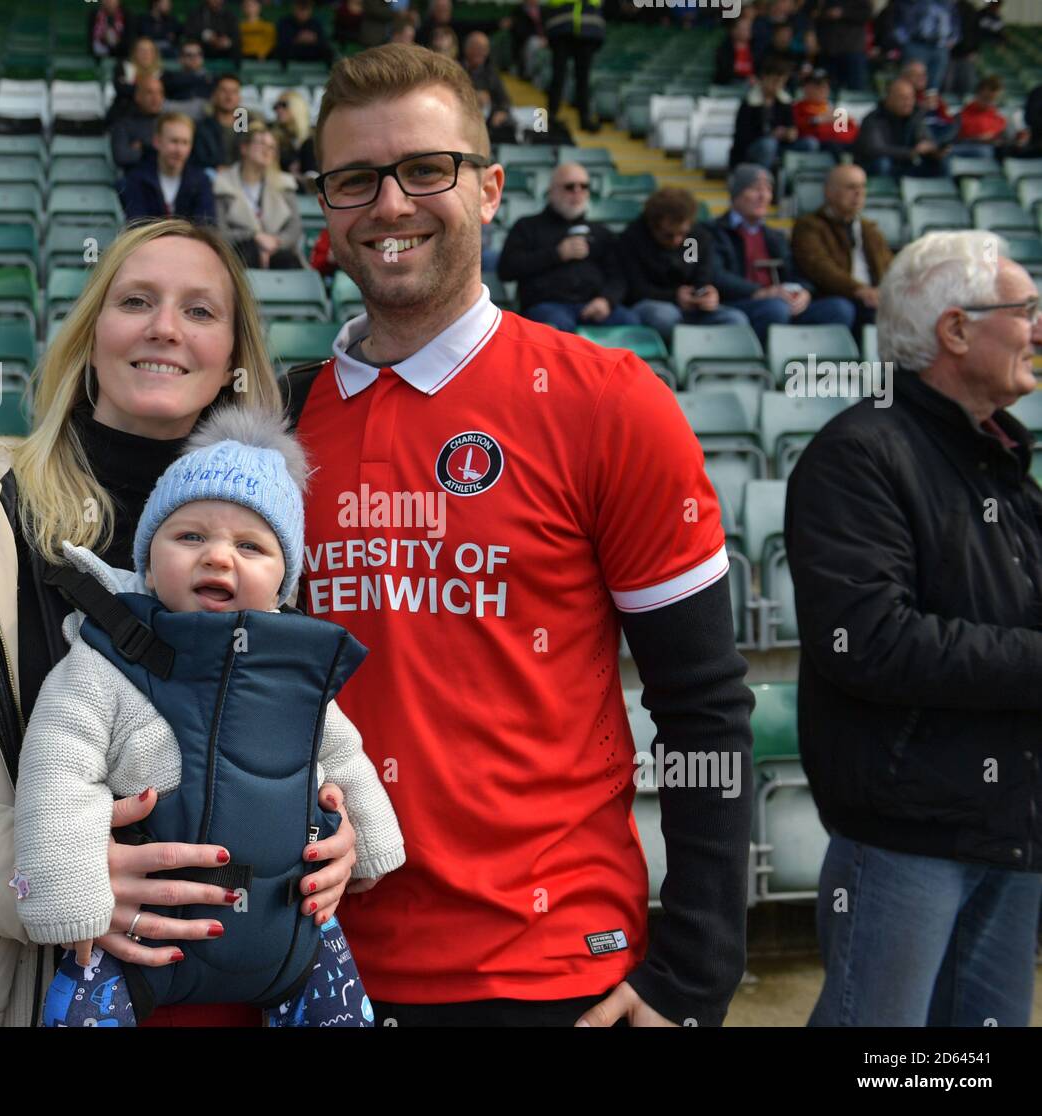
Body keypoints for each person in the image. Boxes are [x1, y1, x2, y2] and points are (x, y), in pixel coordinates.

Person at [291, 43, 754, 1028]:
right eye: (355, 179)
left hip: (552, 973)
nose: (390, 203)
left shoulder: (610, 404)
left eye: (426, 169)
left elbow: (703, 705)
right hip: (318, 966)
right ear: (325, 206)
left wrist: (693, 971)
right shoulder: (279, 427)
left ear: (491, 187)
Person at [0, 217, 362, 1027]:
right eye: (136, 300)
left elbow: (306, 736)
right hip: (16, 993)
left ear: (237, 359)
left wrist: (330, 834)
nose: (165, 327)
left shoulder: (275, 531)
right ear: (90, 333)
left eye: (201, 311)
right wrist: (48, 877)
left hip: (246, 995)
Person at [14, 409, 406, 1028]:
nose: (218, 558)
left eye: (249, 546)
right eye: (190, 537)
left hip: (291, 932)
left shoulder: (294, 668)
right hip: (136, 940)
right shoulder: (105, 662)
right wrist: (67, 898)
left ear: (284, 584)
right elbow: (57, 772)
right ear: (148, 562)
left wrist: (373, 847)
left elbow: (341, 753)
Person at [785, 230, 1042, 1027]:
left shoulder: (998, 459)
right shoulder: (859, 455)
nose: (1038, 328)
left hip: (1010, 825)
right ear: (955, 330)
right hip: (908, 834)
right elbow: (873, 643)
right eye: (1026, 310)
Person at [707, 164, 855, 341]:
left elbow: (797, 273)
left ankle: (818, 365)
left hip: (780, 304)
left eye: (768, 190)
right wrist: (761, 292)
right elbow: (716, 275)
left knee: (839, 308)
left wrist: (803, 292)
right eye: (755, 189)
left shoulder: (775, 236)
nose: (763, 197)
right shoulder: (713, 231)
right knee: (775, 308)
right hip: (740, 302)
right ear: (736, 194)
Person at [497, 162, 641, 331]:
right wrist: (557, 254)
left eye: (584, 186)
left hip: (593, 305)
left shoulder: (601, 232)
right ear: (552, 191)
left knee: (631, 321)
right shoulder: (527, 226)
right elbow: (507, 269)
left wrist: (606, 300)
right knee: (560, 328)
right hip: (547, 306)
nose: (577, 192)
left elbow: (618, 277)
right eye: (569, 187)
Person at [619, 187, 750, 341]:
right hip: (653, 305)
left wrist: (705, 294)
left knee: (736, 319)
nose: (677, 240)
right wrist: (674, 296)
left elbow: (701, 275)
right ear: (652, 226)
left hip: (691, 308)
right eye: (668, 235)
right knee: (665, 316)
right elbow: (635, 289)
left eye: (682, 234)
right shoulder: (632, 239)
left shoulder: (694, 238)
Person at [791, 163, 894, 328]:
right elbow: (819, 267)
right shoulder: (809, 226)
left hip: (872, 298)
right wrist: (859, 290)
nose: (859, 193)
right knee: (844, 309)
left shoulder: (870, 229)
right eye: (851, 187)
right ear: (829, 192)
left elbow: (889, 266)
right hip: (835, 297)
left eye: (862, 187)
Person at [215, 125, 305, 270]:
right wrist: (254, 236)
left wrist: (275, 243)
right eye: (262, 143)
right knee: (247, 254)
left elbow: (295, 229)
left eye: (272, 147)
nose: (267, 150)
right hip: (238, 256)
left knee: (286, 260)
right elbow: (218, 232)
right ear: (244, 148)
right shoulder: (223, 184)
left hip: (279, 253)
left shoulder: (284, 184)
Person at [120, 112, 216, 223]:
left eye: (185, 143)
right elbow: (136, 225)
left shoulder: (201, 181)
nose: (179, 150)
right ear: (157, 142)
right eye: (174, 141)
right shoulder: (137, 180)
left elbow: (205, 226)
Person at [732, 57, 816, 169]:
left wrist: (790, 134)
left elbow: (791, 126)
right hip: (753, 149)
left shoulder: (785, 101)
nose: (778, 85)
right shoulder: (749, 103)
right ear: (763, 78)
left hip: (780, 146)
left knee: (810, 143)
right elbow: (741, 138)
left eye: (782, 82)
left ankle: (796, 180)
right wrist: (771, 135)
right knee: (768, 144)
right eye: (775, 81)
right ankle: (764, 179)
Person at [855, 76, 946, 177]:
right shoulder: (873, 119)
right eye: (903, 98)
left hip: (906, 165)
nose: (909, 102)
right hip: (879, 168)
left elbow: (925, 138)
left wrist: (934, 150)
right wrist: (911, 152)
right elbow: (875, 149)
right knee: (882, 163)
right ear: (889, 98)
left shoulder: (915, 115)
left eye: (911, 97)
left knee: (940, 161)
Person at [545, 0, 607, 132]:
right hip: (561, 28)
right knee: (558, 76)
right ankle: (550, 117)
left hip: (587, 29)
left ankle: (585, 119)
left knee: (583, 79)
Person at [890, 0, 960, 93]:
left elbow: (955, 21)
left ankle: (930, 105)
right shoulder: (908, 2)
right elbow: (897, 20)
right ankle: (910, 104)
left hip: (940, 46)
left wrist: (953, 38)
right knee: (913, 80)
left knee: (935, 85)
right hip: (916, 43)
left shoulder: (946, 3)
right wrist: (904, 41)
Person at [461, 32, 512, 142]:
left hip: (487, 128)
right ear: (467, 49)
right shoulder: (456, 70)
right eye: (478, 47)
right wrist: (473, 96)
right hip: (462, 124)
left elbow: (505, 101)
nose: (481, 52)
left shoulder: (491, 73)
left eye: (485, 48)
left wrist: (501, 112)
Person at [191, 74, 249, 171]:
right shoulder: (201, 128)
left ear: (239, 97)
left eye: (234, 91)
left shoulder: (248, 127)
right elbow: (198, 161)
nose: (229, 96)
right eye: (224, 91)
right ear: (214, 95)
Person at [812, 0, 873, 93]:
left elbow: (866, 14)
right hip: (829, 50)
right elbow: (816, 16)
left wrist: (843, 13)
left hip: (852, 49)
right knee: (829, 89)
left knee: (855, 89)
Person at [110, 74, 167, 170]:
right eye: (149, 93)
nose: (156, 98)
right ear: (138, 96)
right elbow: (122, 157)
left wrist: (142, 147)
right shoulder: (122, 125)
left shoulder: (170, 123)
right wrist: (159, 149)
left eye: (160, 93)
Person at [792, 69, 857, 153]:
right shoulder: (797, 108)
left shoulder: (833, 109)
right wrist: (817, 120)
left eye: (826, 85)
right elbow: (798, 128)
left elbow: (852, 132)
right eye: (818, 86)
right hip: (821, 148)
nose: (824, 89)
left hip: (840, 145)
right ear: (806, 88)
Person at [272, 90, 318, 179]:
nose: (278, 110)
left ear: (297, 107)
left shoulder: (313, 137)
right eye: (276, 106)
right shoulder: (274, 137)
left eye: (283, 105)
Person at [278, 0, 334, 65]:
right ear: (294, 9)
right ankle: (284, 72)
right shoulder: (285, 22)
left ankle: (328, 71)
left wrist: (314, 38)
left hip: (312, 52)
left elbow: (323, 40)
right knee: (282, 49)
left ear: (310, 10)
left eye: (305, 9)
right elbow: (283, 40)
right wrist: (298, 38)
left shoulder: (316, 23)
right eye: (300, 9)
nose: (303, 13)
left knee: (328, 49)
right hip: (293, 51)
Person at [185, 0, 242, 64]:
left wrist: (226, 42)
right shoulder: (196, 14)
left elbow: (236, 37)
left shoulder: (230, 15)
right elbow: (190, 33)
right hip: (204, 55)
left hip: (227, 56)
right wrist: (207, 37)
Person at [115, 37, 165, 105]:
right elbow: (121, 90)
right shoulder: (124, 68)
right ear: (134, 53)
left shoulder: (161, 73)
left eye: (150, 50)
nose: (146, 54)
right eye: (141, 50)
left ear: (155, 54)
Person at [714, 17, 757, 87]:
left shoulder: (755, 48)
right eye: (744, 29)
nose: (749, 31)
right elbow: (723, 72)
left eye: (749, 28)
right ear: (734, 31)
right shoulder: (725, 49)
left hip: (751, 84)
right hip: (729, 84)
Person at [511, 0, 548, 81]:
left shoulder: (543, 10)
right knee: (533, 43)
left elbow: (547, 27)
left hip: (545, 40)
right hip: (525, 42)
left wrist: (545, 38)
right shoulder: (519, 10)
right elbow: (519, 31)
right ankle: (528, 74)